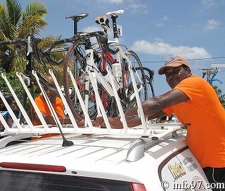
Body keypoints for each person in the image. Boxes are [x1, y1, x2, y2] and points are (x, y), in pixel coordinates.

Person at [96, 56, 225, 188]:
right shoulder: (178, 99)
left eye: (176, 71)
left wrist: (115, 120)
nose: (171, 76)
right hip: (206, 162)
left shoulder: (195, 83)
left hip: (217, 162)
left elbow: (156, 103)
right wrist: (110, 124)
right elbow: (143, 118)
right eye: (167, 74)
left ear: (188, 71)